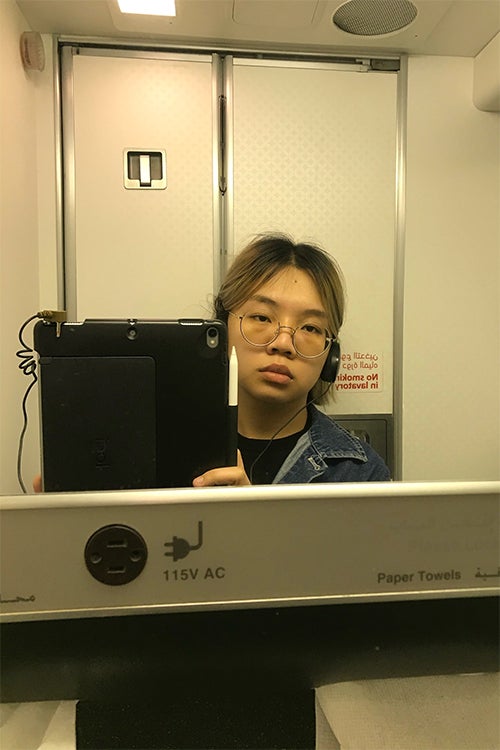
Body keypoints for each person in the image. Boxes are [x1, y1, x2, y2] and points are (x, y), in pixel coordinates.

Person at [192, 233, 390, 487]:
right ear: (222, 327)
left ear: (331, 355)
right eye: (262, 318)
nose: (283, 343)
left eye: (310, 328)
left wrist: (247, 509)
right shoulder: (167, 443)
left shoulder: (361, 474)